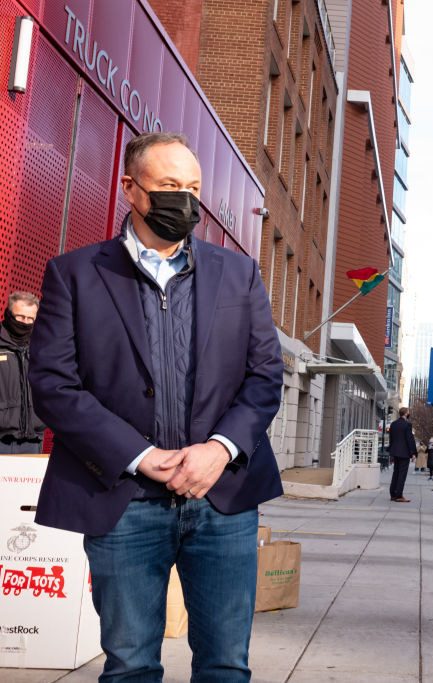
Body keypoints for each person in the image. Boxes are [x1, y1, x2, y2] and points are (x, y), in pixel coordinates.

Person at [28, 132, 284, 681]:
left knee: (225, 666)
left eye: (192, 187)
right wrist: (140, 455)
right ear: (130, 189)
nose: (184, 199)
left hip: (223, 500)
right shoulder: (73, 274)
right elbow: (53, 384)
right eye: (169, 185)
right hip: (123, 501)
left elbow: (265, 376)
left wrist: (220, 449)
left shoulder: (239, 274)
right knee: (129, 667)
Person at [0, 292, 45, 453]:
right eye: (20, 317)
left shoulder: (41, 348)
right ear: (8, 314)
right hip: (2, 439)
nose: (25, 322)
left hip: (33, 439)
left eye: (30, 319)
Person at [388, 406, 416, 502]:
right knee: (402, 474)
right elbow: (409, 439)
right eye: (408, 412)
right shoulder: (407, 424)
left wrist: (391, 449)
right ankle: (399, 495)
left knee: (396, 473)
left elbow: (391, 438)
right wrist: (413, 453)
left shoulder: (393, 424)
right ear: (405, 413)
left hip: (395, 452)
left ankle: (393, 494)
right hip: (404, 453)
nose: (409, 413)